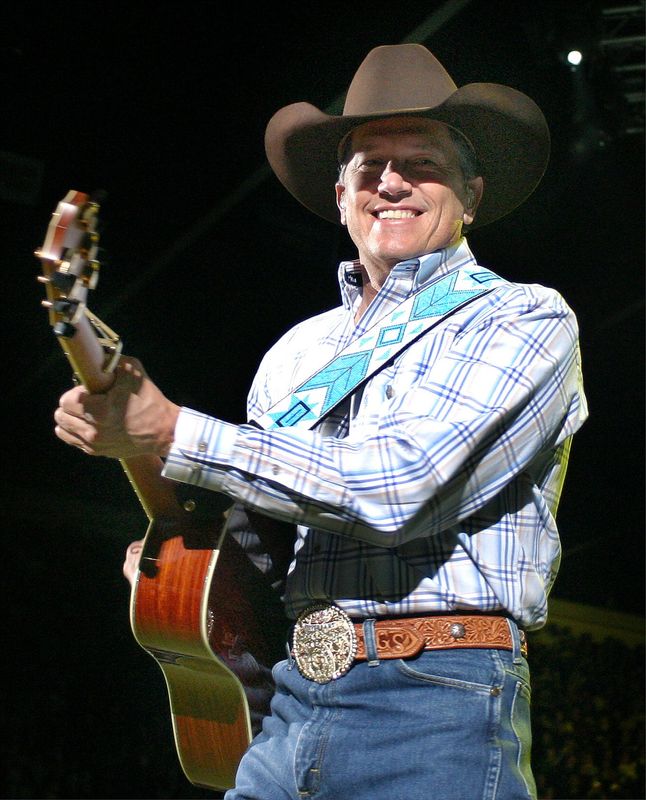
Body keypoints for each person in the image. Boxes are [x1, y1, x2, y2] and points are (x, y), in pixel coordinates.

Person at [53, 44, 588, 800]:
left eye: (421, 163)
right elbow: (275, 542)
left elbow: (401, 489)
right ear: (341, 198)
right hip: (291, 705)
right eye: (368, 166)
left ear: (470, 194)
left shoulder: (520, 317)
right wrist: (186, 561)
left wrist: (172, 431)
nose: (392, 182)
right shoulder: (295, 354)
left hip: (438, 702)